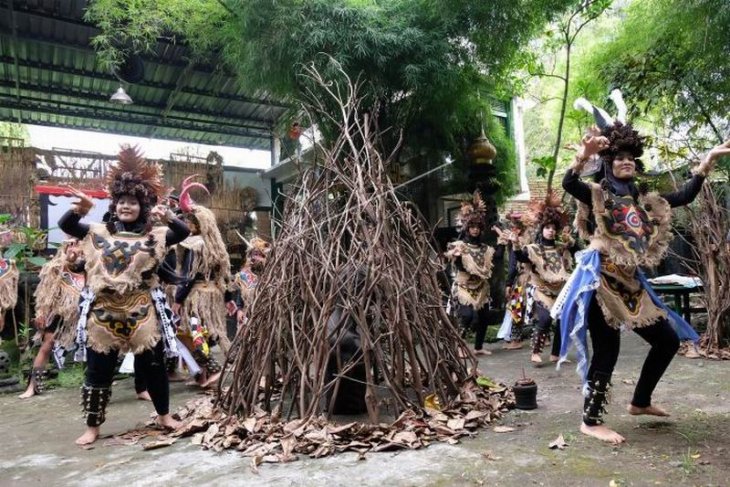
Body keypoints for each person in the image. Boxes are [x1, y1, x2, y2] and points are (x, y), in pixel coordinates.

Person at [554, 90, 730, 444]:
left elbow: (683, 197)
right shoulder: (597, 192)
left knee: (666, 341)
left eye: (631, 156)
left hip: (632, 284)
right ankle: (590, 420)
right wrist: (581, 158)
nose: (626, 161)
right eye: (618, 157)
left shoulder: (641, 198)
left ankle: (640, 401)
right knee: (608, 350)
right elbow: (569, 184)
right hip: (600, 281)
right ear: (607, 162)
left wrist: (708, 160)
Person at [60, 145, 190, 445]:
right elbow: (66, 225)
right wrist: (80, 208)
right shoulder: (96, 232)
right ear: (114, 204)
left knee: (154, 366)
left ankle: (164, 415)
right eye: (121, 202)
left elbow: (181, 233)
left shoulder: (155, 235)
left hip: (141, 310)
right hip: (103, 312)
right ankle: (92, 427)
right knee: (97, 370)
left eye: (132, 202)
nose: (126, 207)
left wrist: (169, 215)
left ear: (142, 207)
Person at [173, 178, 236, 388]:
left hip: (198, 297)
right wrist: (228, 298)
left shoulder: (196, 244)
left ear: (200, 223)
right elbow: (224, 276)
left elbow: (190, 275)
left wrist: (179, 299)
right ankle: (203, 373)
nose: (187, 224)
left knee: (194, 332)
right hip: (214, 294)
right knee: (207, 332)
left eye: (190, 221)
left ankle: (213, 369)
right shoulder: (216, 246)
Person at [499, 195, 575, 365]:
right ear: (541, 229)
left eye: (554, 228)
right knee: (545, 320)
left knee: (563, 321)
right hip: (542, 291)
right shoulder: (533, 249)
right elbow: (520, 257)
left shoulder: (561, 248)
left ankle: (556, 354)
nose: (551, 231)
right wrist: (515, 244)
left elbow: (575, 251)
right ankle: (535, 352)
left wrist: (570, 240)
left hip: (560, 291)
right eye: (547, 227)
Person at [19, 239, 85, 399]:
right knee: (47, 345)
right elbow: (45, 291)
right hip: (60, 314)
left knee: (95, 348)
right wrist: (41, 312)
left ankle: (96, 383)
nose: (74, 247)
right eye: (70, 244)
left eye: (77, 243)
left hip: (86, 312)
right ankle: (33, 386)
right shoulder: (57, 267)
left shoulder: (91, 264)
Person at [444, 191, 495, 356]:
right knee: (465, 316)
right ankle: (459, 346)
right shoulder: (459, 245)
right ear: (467, 228)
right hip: (464, 286)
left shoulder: (485, 248)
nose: (475, 230)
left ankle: (478, 347)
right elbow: (458, 265)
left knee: (485, 316)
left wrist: (504, 243)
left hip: (481, 287)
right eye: (472, 227)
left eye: (477, 227)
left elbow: (494, 260)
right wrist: (457, 256)